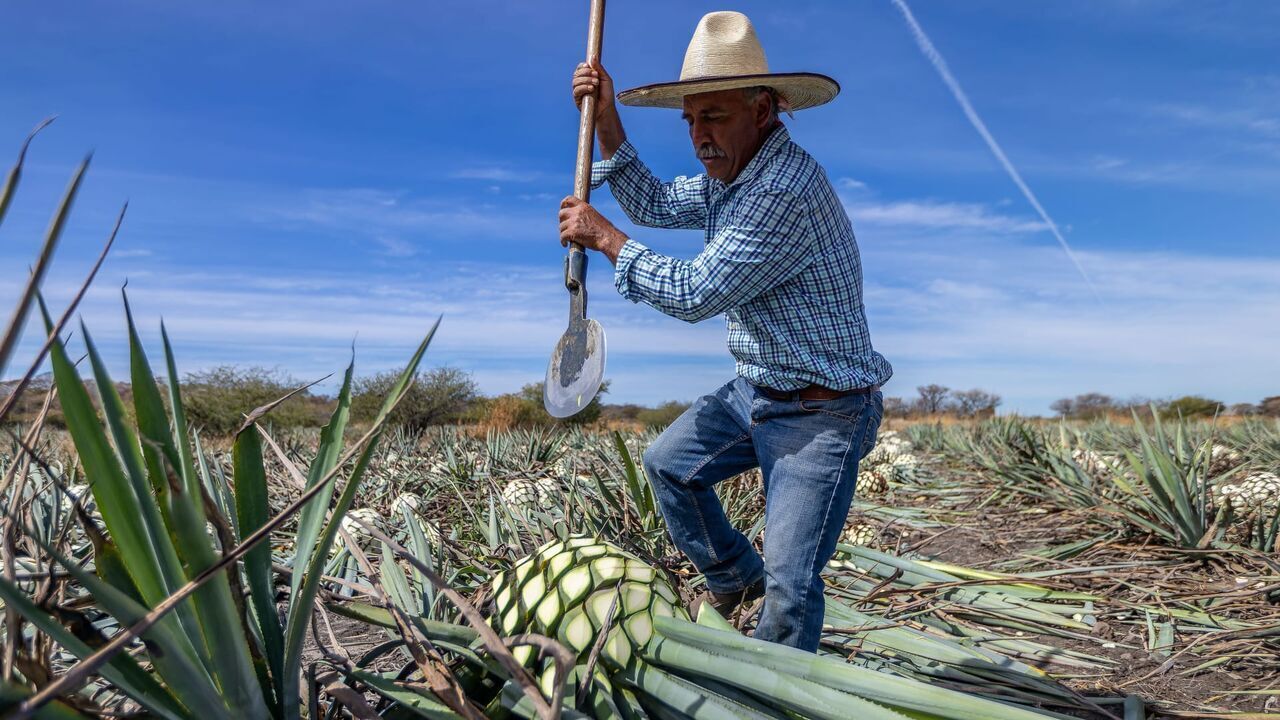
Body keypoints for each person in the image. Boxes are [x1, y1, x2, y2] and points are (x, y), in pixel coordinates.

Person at [557, 10, 892, 652]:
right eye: (690, 120)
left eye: (714, 116)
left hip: (821, 412)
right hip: (757, 390)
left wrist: (603, 238)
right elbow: (654, 203)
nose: (699, 135)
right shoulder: (730, 178)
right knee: (669, 465)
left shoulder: (782, 190)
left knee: (792, 588)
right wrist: (606, 119)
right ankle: (738, 579)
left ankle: (773, 689)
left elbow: (694, 294)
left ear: (763, 109)